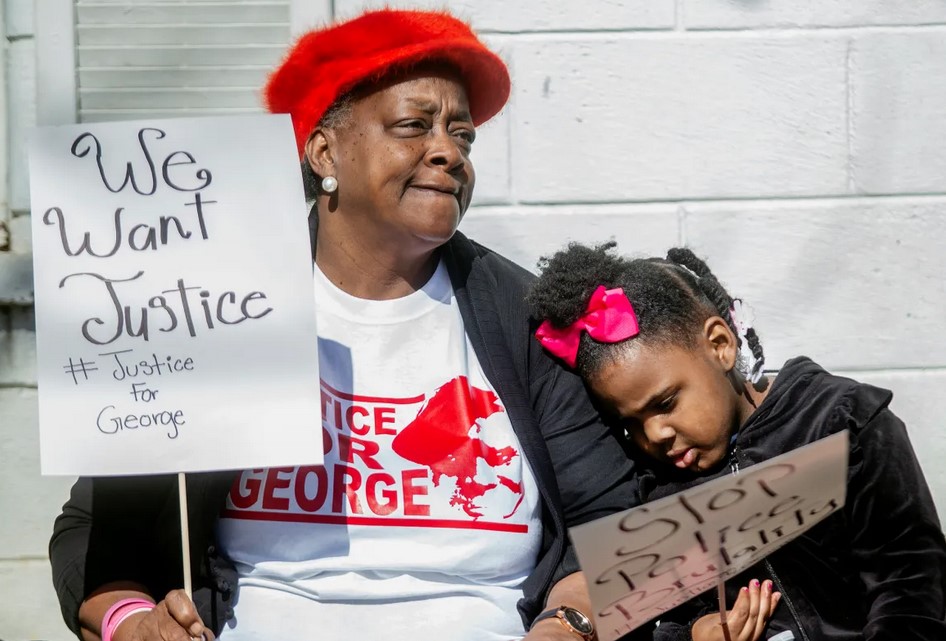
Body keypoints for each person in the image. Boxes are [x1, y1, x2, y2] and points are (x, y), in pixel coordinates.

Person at [49, 10, 639, 641]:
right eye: (413, 126)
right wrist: (132, 623)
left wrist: (568, 623)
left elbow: (621, 526)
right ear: (324, 150)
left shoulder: (527, 319)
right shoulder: (217, 309)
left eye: (462, 135)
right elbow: (93, 536)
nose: (449, 152)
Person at [526, 241, 946, 641]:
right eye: (629, 423)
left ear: (720, 345)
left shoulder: (840, 423)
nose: (654, 435)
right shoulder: (652, 484)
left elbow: (911, 586)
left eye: (666, 403)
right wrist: (691, 635)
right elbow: (651, 625)